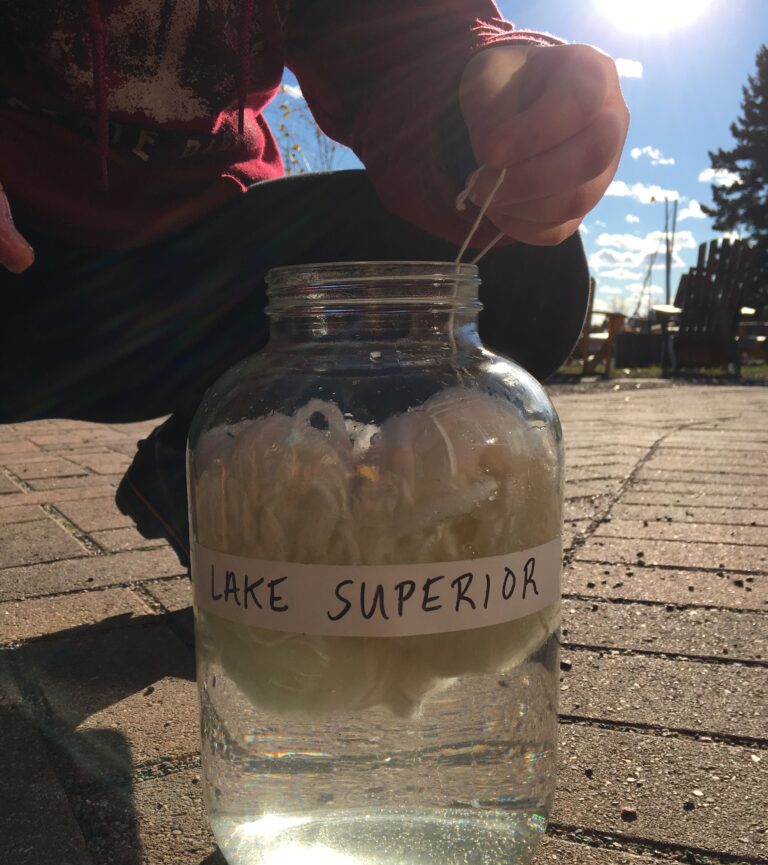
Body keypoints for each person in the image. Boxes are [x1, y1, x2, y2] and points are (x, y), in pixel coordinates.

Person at [0, 2, 628, 567]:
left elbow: (398, 37)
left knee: (525, 274)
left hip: (202, 262)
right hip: (20, 274)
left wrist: (485, 96)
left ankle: (204, 476)